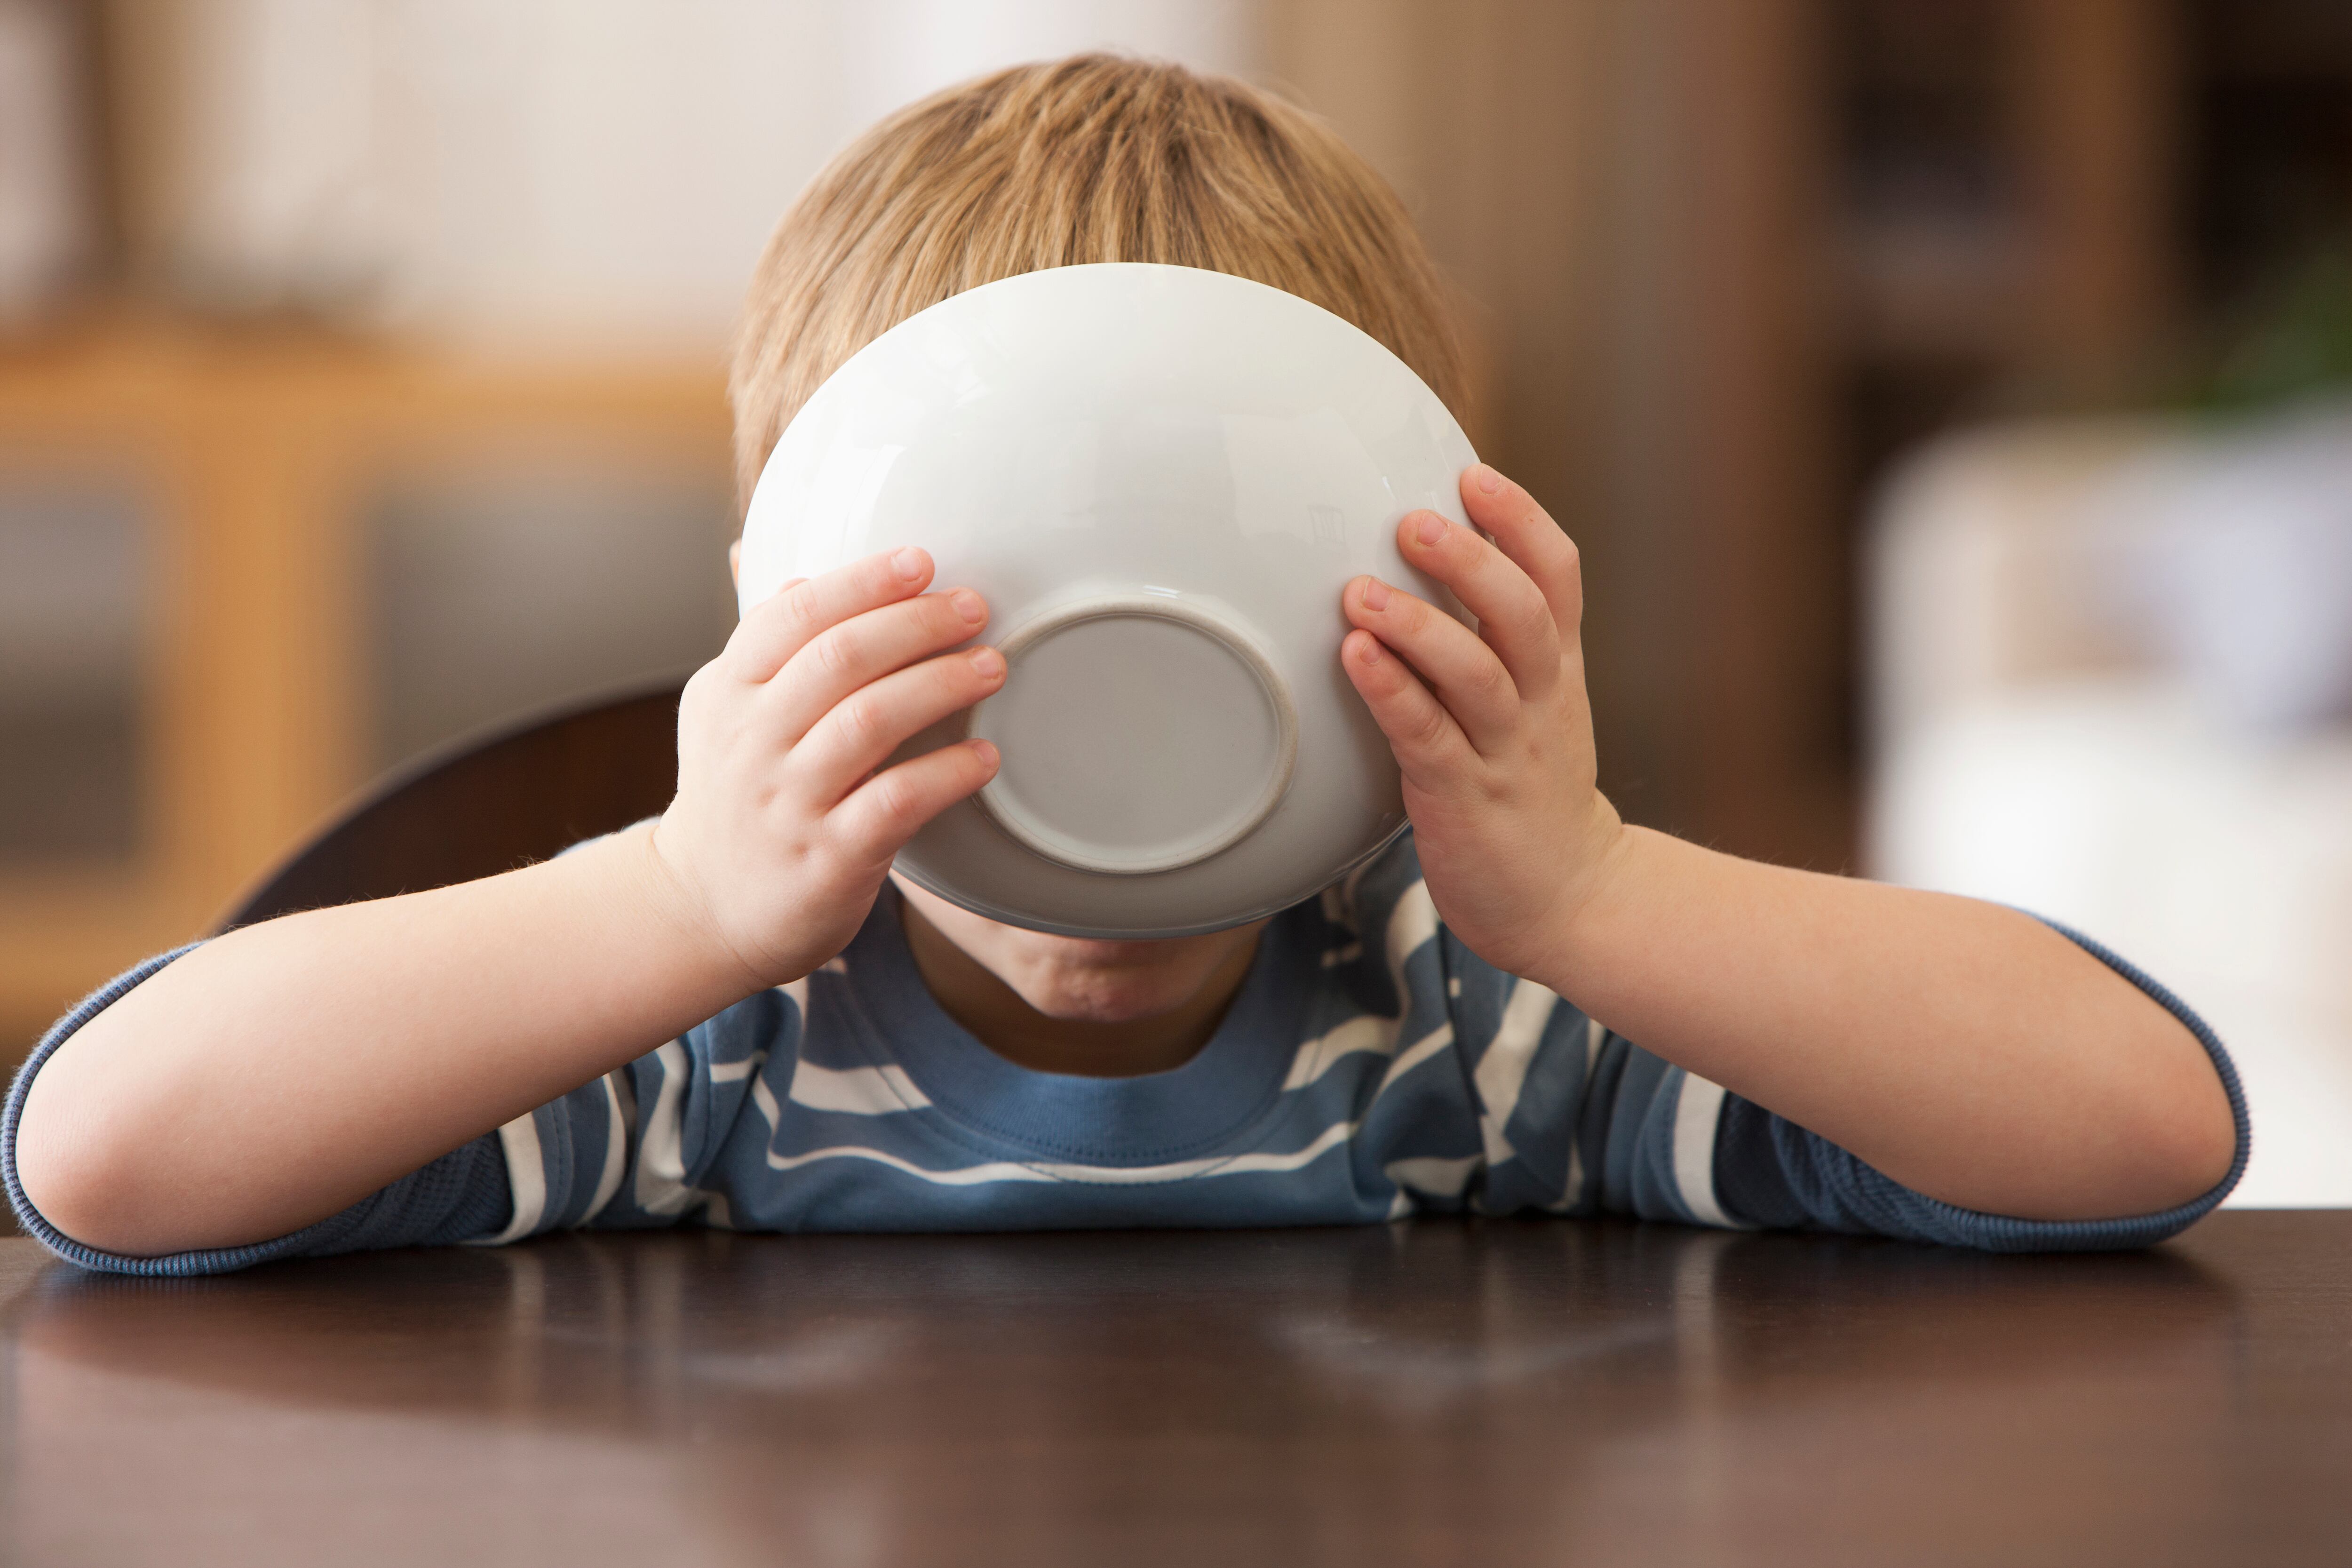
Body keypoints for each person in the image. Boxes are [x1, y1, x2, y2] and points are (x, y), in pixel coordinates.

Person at [6, 57, 2243, 1275]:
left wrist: (1595, 890)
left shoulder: (1474, 1024)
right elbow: (99, 1157)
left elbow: (2135, 1131)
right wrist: (673, 905)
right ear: (777, 592)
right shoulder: (702, 1048)